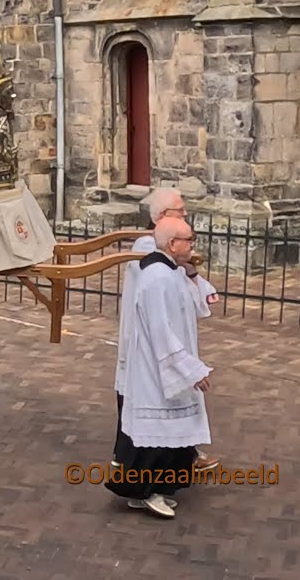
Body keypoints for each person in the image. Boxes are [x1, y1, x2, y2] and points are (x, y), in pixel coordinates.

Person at [107, 217, 212, 519]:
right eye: (189, 240)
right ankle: (147, 492)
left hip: (164, 365)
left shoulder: (171, 271)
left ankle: (150, 491)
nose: (193, 245)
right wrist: (190, 370)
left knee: (169, 434)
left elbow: (197, 305)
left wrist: (191, 273)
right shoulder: (157, 277)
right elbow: (161, 332)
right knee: (156, 435)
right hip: (155, 369)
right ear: (172, 244)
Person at [114, 187, 219, 471]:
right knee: (153, 408)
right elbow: (160, 308)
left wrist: (191, 273)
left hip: (172, 338)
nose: (186, 213)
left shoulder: (171, 259)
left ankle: (181, 458)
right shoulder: (152, 255)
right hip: (152, 344)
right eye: (179, 210)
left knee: (171, 410)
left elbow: (194, 297)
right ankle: (142, 473)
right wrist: (186, 366)